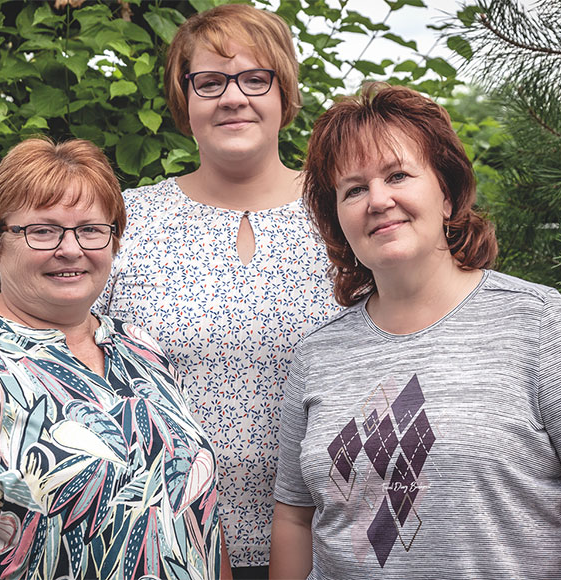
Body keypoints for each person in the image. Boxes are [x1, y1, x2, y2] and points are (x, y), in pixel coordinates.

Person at [269, 83, 561, 580]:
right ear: (338, 219)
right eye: (354, 189)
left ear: (446, 195)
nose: (379, 200)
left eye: (398, 175)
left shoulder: (536, 321)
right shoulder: (316, 355)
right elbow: (294, 517)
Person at [0, 138, 229, 580]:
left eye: (91, 229)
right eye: (43, 231)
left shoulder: (142, 349)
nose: (71, 249)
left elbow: (198, 520)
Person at [94, 5, 340, 578]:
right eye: (209, 82)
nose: (234, 98)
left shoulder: (347, 212)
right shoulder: (126, 220)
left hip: (335, 540)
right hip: (160, 546)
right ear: (185, 102)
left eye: (256, 79)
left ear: (286, 93)